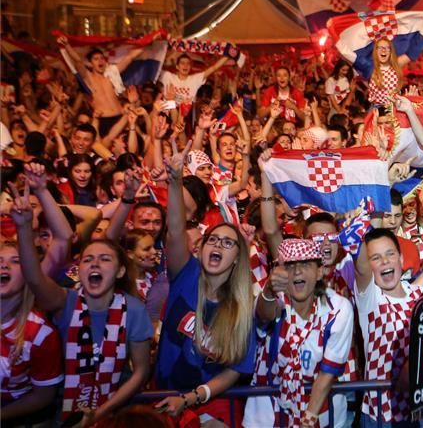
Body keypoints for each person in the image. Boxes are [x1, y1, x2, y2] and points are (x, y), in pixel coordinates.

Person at [12, 178, 153, 427]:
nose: (95, 264)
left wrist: (98, 415)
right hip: (65, 412)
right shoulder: (64, 301)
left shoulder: (134, 309)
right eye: (88, 260)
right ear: (80, 268)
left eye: (105, 259)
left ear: (120, 272)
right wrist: (24, 228)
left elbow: (140, 372)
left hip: (115, 413)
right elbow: (34, 278)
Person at [153, 146, 256, 425]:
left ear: (237, 258)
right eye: (213, 239)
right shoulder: (185, 274)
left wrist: (192, 398)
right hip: (162, 397)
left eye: (228, 242)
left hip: (212, 405)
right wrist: (174, 181)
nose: (218, 245)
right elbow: (174, 229)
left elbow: (235, 371)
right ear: (201, 246)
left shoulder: (243, 306)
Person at [244, 239, 354, 428]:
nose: (297, 271)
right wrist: (269, 290)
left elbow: (327, 373)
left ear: (319, 271)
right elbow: (263, 315)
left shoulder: (338, 308)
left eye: (305, 263)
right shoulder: (272, 298)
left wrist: (309, 419)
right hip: (267, 417)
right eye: (290, 265)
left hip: (323, 415)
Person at [353, 227, 423, 428]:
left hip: (419, 408)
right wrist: (357, 231)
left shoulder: (419, 296)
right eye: (375, 258)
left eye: (390, 254)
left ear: (401, 260)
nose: (385, 261)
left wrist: (414, 364)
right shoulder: (370, 299)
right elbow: (360, 266)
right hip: (381, 414)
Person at [0, 237, 64, 425]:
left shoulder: (40, 333)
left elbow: (43, 396)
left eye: (15, 261)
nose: (4, 266)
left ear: (29, 274)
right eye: (0, 260)